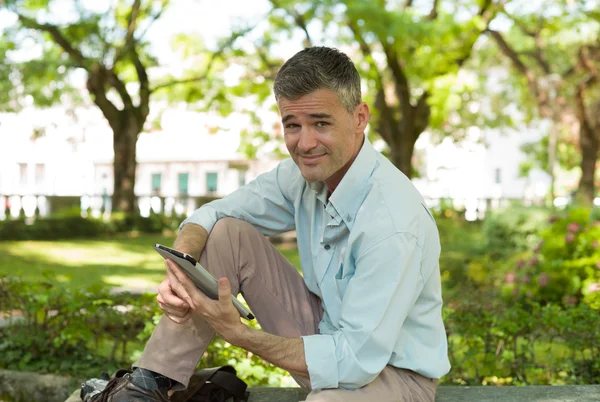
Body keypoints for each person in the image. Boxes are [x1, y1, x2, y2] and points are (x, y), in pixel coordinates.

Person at [92, 46, 450, 402]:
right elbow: (212, 215)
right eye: (292, 125)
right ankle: (150, 386)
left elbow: (354, 361)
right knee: (228, 234)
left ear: (359, 118)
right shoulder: (302, 176)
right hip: (323, 335)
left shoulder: (392, 222)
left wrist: (240, 335)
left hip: (389, 375)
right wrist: (179, 272)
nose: (305, 143)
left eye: (321, 123)